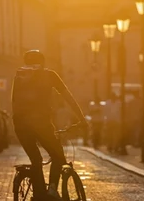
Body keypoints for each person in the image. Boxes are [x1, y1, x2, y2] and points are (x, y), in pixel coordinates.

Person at [11, 50, 87, 201]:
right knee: (58, 155)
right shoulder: (50, 75)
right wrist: (82, 119)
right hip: (41, 123)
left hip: (20, 124)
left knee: (36, 160)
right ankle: (52, 190)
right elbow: (68, 97)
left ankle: (39, 195)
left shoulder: (19, 76)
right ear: (43, 62)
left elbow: (14, 101)